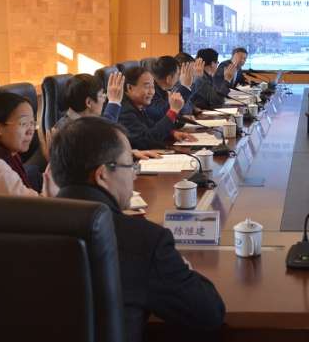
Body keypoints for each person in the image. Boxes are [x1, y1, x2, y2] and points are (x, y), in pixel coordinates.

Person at [50, 117, 225, 342]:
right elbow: (209, 314)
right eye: (131, 165)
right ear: (103, 175)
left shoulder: (21, 227)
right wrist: (182, 268)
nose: (134, 174)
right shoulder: (144, 241)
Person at [117, 67, 195, 150]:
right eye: (147, 87)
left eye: (153, 87)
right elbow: (147, 141)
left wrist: (172, 134)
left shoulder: (138, 105)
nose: (151, 92)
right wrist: (173, 111)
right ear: (129, 88)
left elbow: (151, 128)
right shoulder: (124, 111)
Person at [53, 72, 124, 131]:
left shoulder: (81, 121)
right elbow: (105, 133)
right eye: (101, 95)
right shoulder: (73, 131)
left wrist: (114, 102)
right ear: (89, 102)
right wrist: (114, 101)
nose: (104, 100)